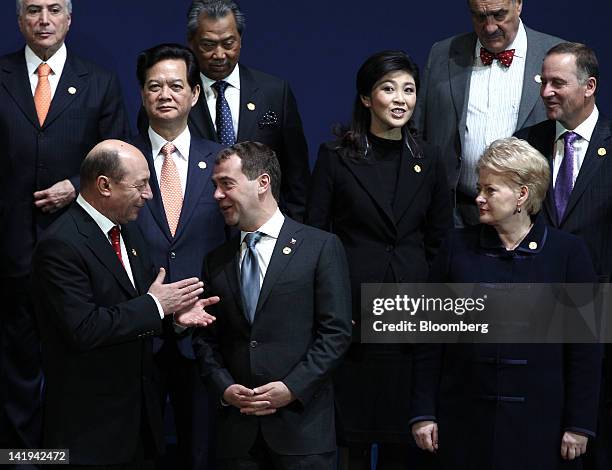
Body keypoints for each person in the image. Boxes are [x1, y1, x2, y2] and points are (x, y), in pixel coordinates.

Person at [410, 137, 602, 470]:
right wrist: (423, 412)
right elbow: (429, 339)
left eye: (490, 190)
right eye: (479, 187)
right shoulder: (455, 247)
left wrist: (579, 424)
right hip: (463, 423)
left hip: (542, 427)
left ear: (522, 195)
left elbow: (586, 350)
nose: (479, 198)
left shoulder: (569, 253)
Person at [306, 50, 452, 469]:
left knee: (403, 438)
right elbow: (317, 235)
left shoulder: (431, 157)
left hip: (410, 313)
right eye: (389, 89)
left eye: (409, 89)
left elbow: (438, 240)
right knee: (350, 435)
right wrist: (331, 306)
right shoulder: (336, 157)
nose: (400, 98)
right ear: (367, 98)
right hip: (351, 311)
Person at [31, 139, 217, 467]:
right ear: (104, 185)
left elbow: (136, 311)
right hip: (88, 433)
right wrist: (157, 306)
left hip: (138, 426)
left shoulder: (126, 232)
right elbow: (84, 329)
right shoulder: (61, 245)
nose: (149, 194)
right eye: (141, 185)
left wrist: (172, 318)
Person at [0, 0, 130, 450]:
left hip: (76, 250)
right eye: (33, 10)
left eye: (54, 9)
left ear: (69, 19)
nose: (43, 19)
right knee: (16, 365)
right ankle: (24, 457)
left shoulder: (99, 82)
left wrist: (77, 186)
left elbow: (120, 160)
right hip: (11, 248)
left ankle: (65, 456)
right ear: (19, 20)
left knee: (74, 364)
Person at [193, 141, 352, 469]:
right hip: (237, 439)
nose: (217, 196)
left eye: (227, 184)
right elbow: (206, 338)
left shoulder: (320, 247)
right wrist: (224, 389)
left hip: (302, 433)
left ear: (262, 183)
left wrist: (292, 388)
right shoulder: (216, 261)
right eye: (215, 186)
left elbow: (336, 333)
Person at [515, 42, 612, 470]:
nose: (547, 92)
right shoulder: (526, 144)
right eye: (543, 82)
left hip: (600, 312)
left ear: (589, 86)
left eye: (559, 83)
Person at [132, 43, 227, 470]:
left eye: (175, 85)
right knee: (140, 449)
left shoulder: (223, 161)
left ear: (195, 94)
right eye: (154, 86)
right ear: (142, 94)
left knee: (200, 451)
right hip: (136, 331)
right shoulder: (121, 159)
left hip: (205, 330)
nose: (165, 94)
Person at [413, 0, 562, 226]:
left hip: (529, 218)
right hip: (455, 215)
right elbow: (419, 130)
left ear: (519, 4)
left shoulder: (555, 55)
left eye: (499, 15)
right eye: (479, 17)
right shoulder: (443, 53)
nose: (490, 27)